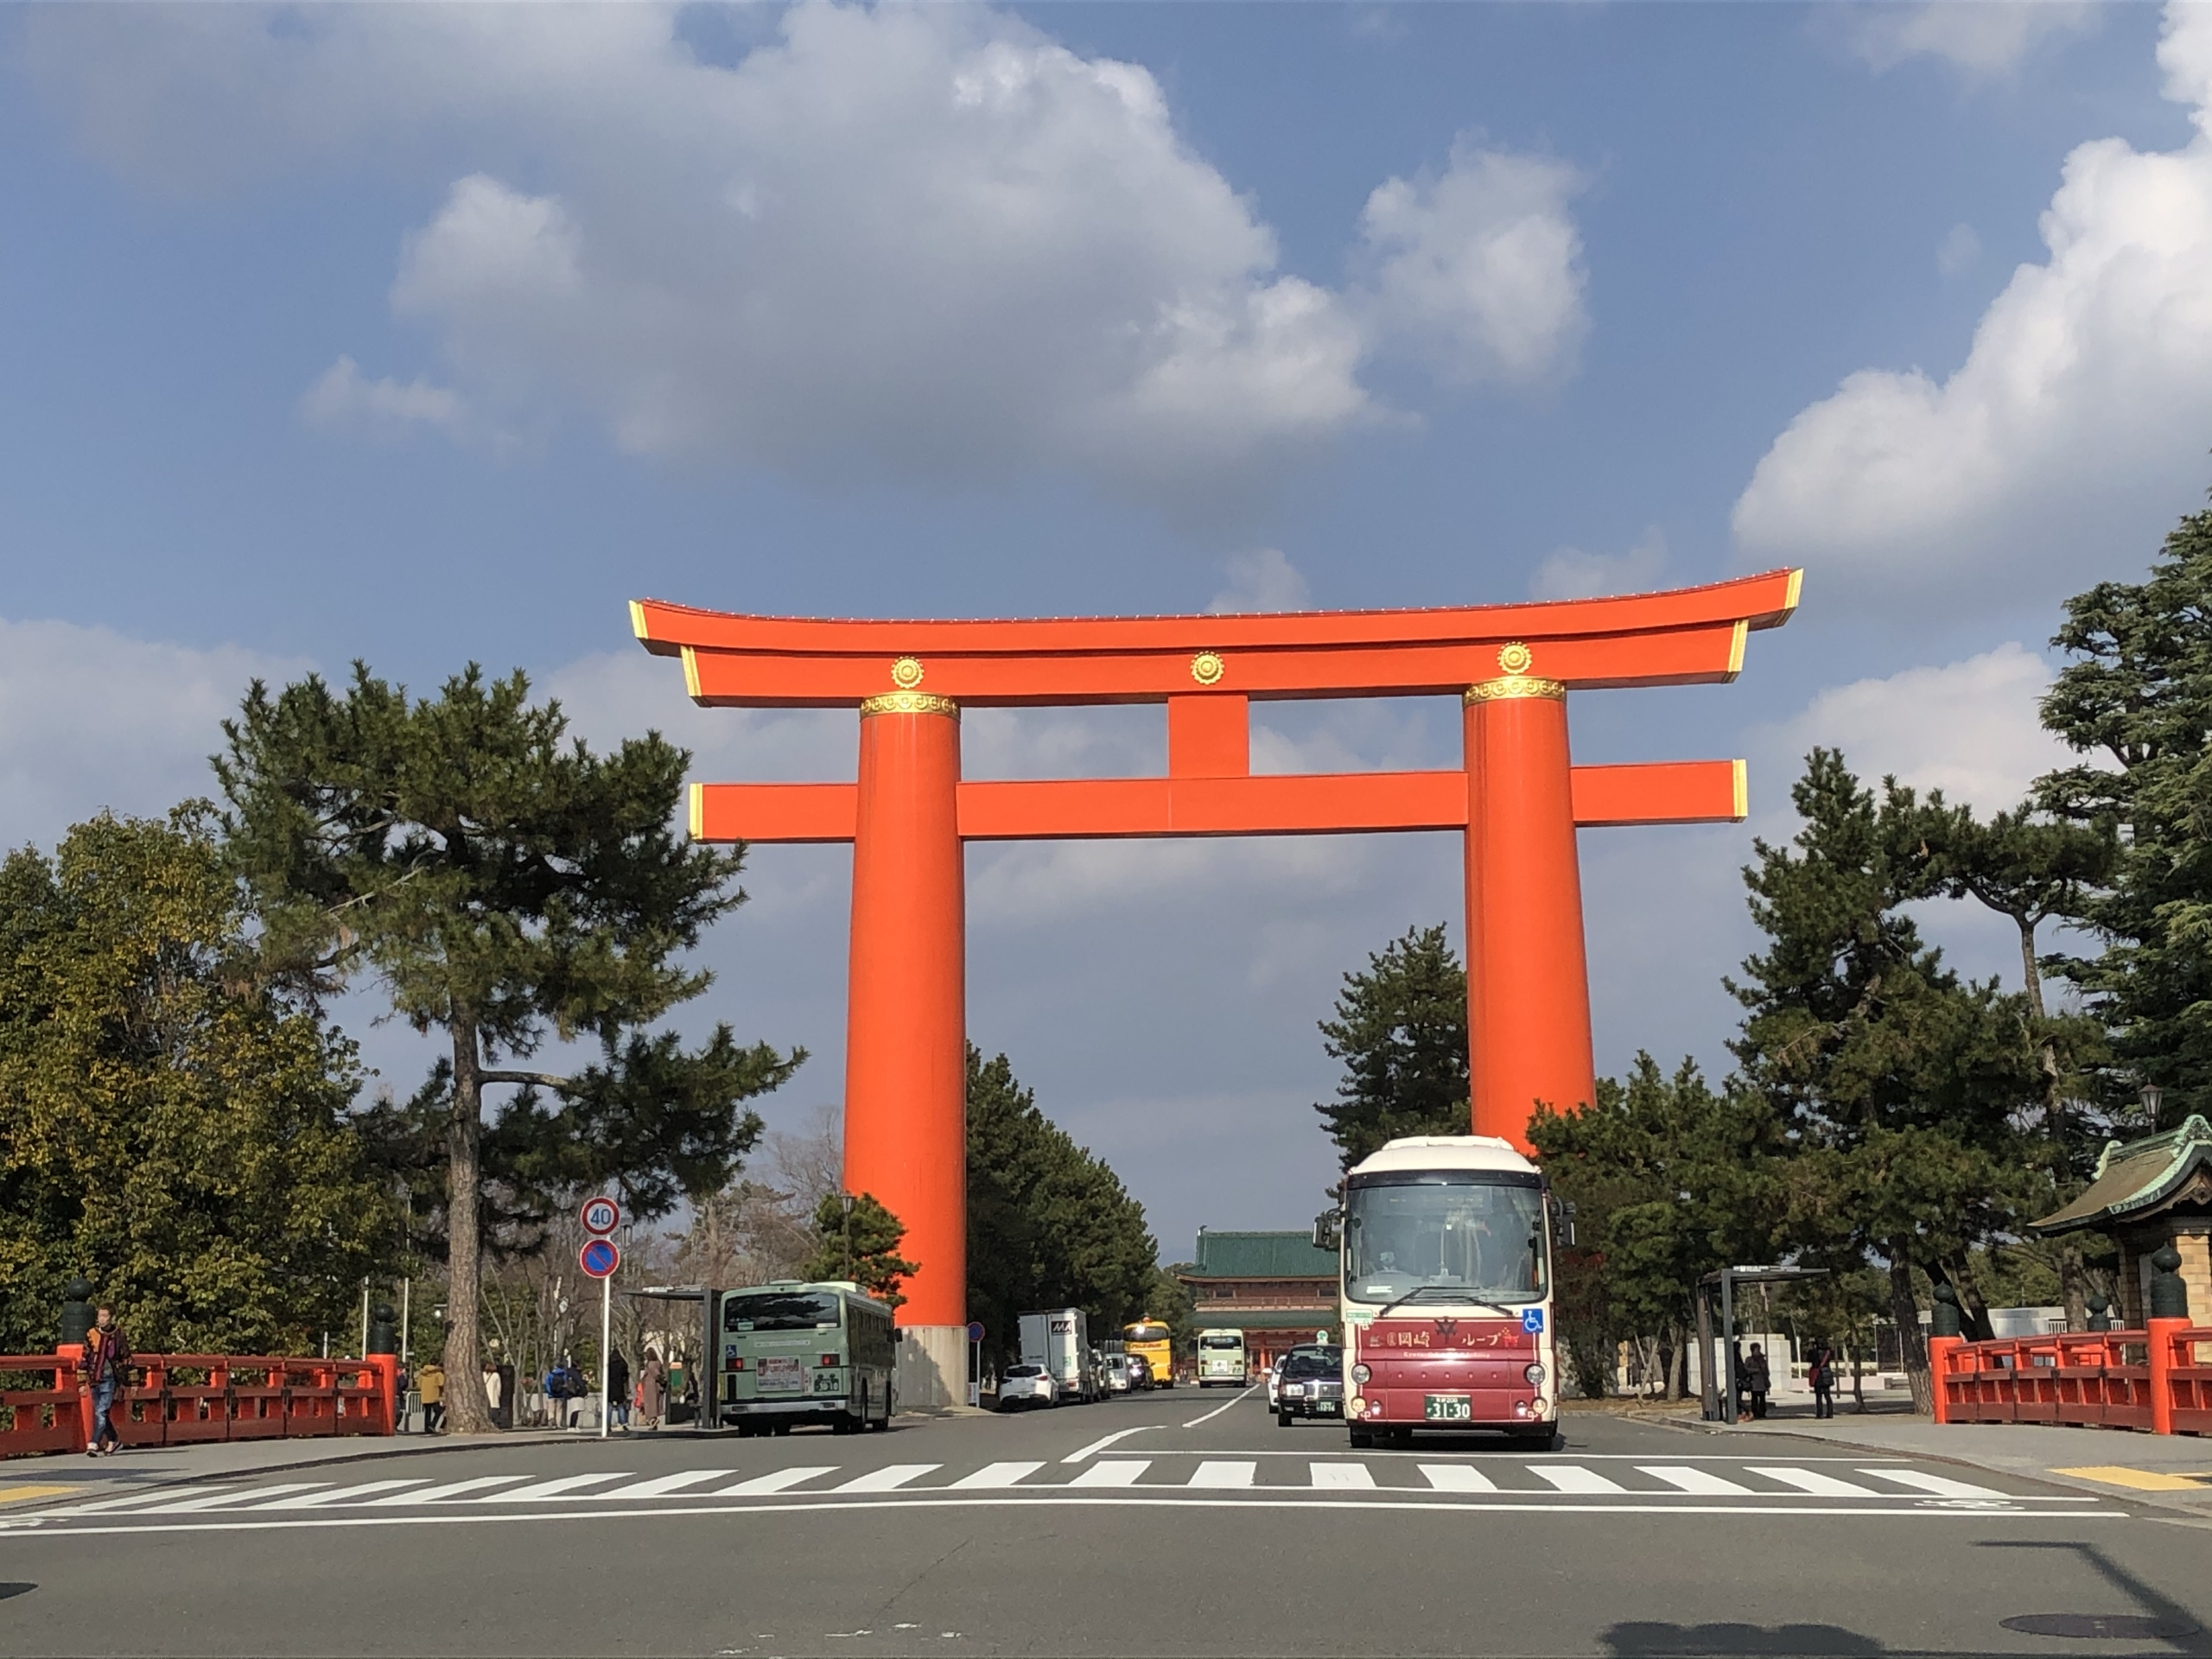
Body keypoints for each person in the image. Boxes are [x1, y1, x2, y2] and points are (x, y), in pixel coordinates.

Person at [80, 1305, 130, 1458]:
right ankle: (114, 1439)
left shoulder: (118, 1335)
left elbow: (126, 1357)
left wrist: (133, 1382)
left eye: (105, 1316)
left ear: (111, 1317)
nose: (101, 1319)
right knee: (101, 1412)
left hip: (110, 1378)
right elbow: (85, 1358)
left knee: (101, 1411)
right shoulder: (91, 1334)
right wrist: (82, 1382)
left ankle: (93, 1443)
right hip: (95, 1378)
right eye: (100, 1316)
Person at [638, 1350, 667, 1431]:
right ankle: (653, 1423)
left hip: (650, 1386)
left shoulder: (651, 1364)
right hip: (656, 1386)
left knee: (650, 1405)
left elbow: (656, 1374)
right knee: (654, 1404)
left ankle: (652, 1420)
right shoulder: (658, 1362)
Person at [1808, 1340, 1837, 1420]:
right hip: (1827, 1373)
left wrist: (1812, 1349)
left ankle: (1819, 1413)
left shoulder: (1815, 1353)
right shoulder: (1828, 1352)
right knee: (1828, 1396)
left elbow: (1809, 1359)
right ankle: (1830, 1413)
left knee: (1818, 1396)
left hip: (1818, 1374)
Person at [1745, 1343, 1772, 1421]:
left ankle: (1762, 1413)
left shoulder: (1762, 1360)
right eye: (1756, 1350)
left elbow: (1766, 1371)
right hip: (1753, 1382)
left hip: (1762, 1382)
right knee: (1754, 1399)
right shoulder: (1749, 1359)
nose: (1758, 1351)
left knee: (1762, 1398)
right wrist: (1756, 1371)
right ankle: (1755, 1412)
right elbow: (1746, 1369)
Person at [417, 1360, 446, 1433]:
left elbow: (419, 1385)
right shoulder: (438, 1374)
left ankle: (427, 1427)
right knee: (439, 1411)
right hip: (434, 1396)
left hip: (425, 1396)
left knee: (427, 1413)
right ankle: (432, 1425)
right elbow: (441, 1384)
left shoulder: (423, 1374)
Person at [607, 1349, 632, 1432]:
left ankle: (607, 1425)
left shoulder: (609, 1364)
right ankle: (623, 1423)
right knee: (620, 1405)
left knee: (609, 1406)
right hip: (619, 1387)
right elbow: (626, 1375)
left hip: (610, 1387)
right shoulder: (622, 1364)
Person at [483, 1359, 505, 1428]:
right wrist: (498, 1395)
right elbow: (498, 1387)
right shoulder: (496, 1375)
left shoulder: (483, 1374)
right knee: (494, 1413)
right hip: (493, 1397)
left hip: (484, 1397)